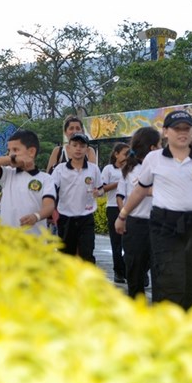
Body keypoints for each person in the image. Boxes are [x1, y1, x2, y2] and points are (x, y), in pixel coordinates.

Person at [115, 110, 192, 309]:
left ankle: (179, 316)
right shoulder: (154, 159)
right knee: (171, 278)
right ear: (166, 132)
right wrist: (123, 215)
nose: (182, 133)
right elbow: (139, 191)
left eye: (187, 129)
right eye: (177, 129)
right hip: (165, 226)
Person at [0, 129, 56, 235]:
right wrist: (9, 159)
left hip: (34, 241)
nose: (11, 154)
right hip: (8, 241)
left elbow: (49, 206)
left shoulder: (46, 179)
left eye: (15, 150)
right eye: (9, 150)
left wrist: (36, 216)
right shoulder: (8, 174)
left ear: (31, 152)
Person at [117, 126, 161, 300]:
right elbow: (139, 191)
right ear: (151, 148)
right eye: (158, 145)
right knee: (135, 271)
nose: (161, 149)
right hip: (135, 225)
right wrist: (122, 216)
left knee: (159, 270)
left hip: (158, 223)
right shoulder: (132, 169)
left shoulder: (161, 167)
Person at [52, 133, 102, 263]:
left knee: (87, 254)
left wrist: (99, 192)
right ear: (68, 148)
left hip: (86, 217)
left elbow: (100, 188)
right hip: (65, 217)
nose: (78, 149)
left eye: (82, 146)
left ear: (87, 149)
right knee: (66, 255)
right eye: (74, 145)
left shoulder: (94, 169)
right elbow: (51, 189)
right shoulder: (60, 169)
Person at [102, 142, 130, 286]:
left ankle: (129, 269)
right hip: (113, 207)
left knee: (130, 242)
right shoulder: (109, 169)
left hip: (129, 207)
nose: (127, 156)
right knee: (116, 242)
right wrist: (119, 182)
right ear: (116, 154)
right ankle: (118, 272)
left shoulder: (131, 169)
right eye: (125, 153)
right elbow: (102, 188)